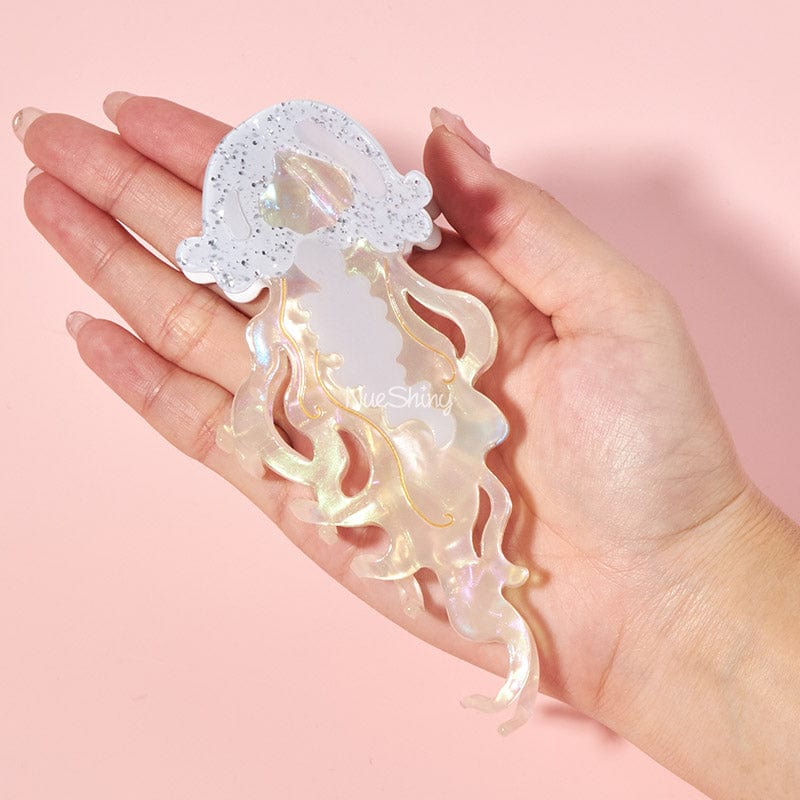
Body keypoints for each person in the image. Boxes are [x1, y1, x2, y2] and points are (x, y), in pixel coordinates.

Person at [13, 94, 800, 799]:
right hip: (367, 381)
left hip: (406, 381)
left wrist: (690, 580)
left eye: (318, 212)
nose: (309, 228)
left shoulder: (388, 311)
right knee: (419, 456)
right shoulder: (307, 328)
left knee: (434, 452)